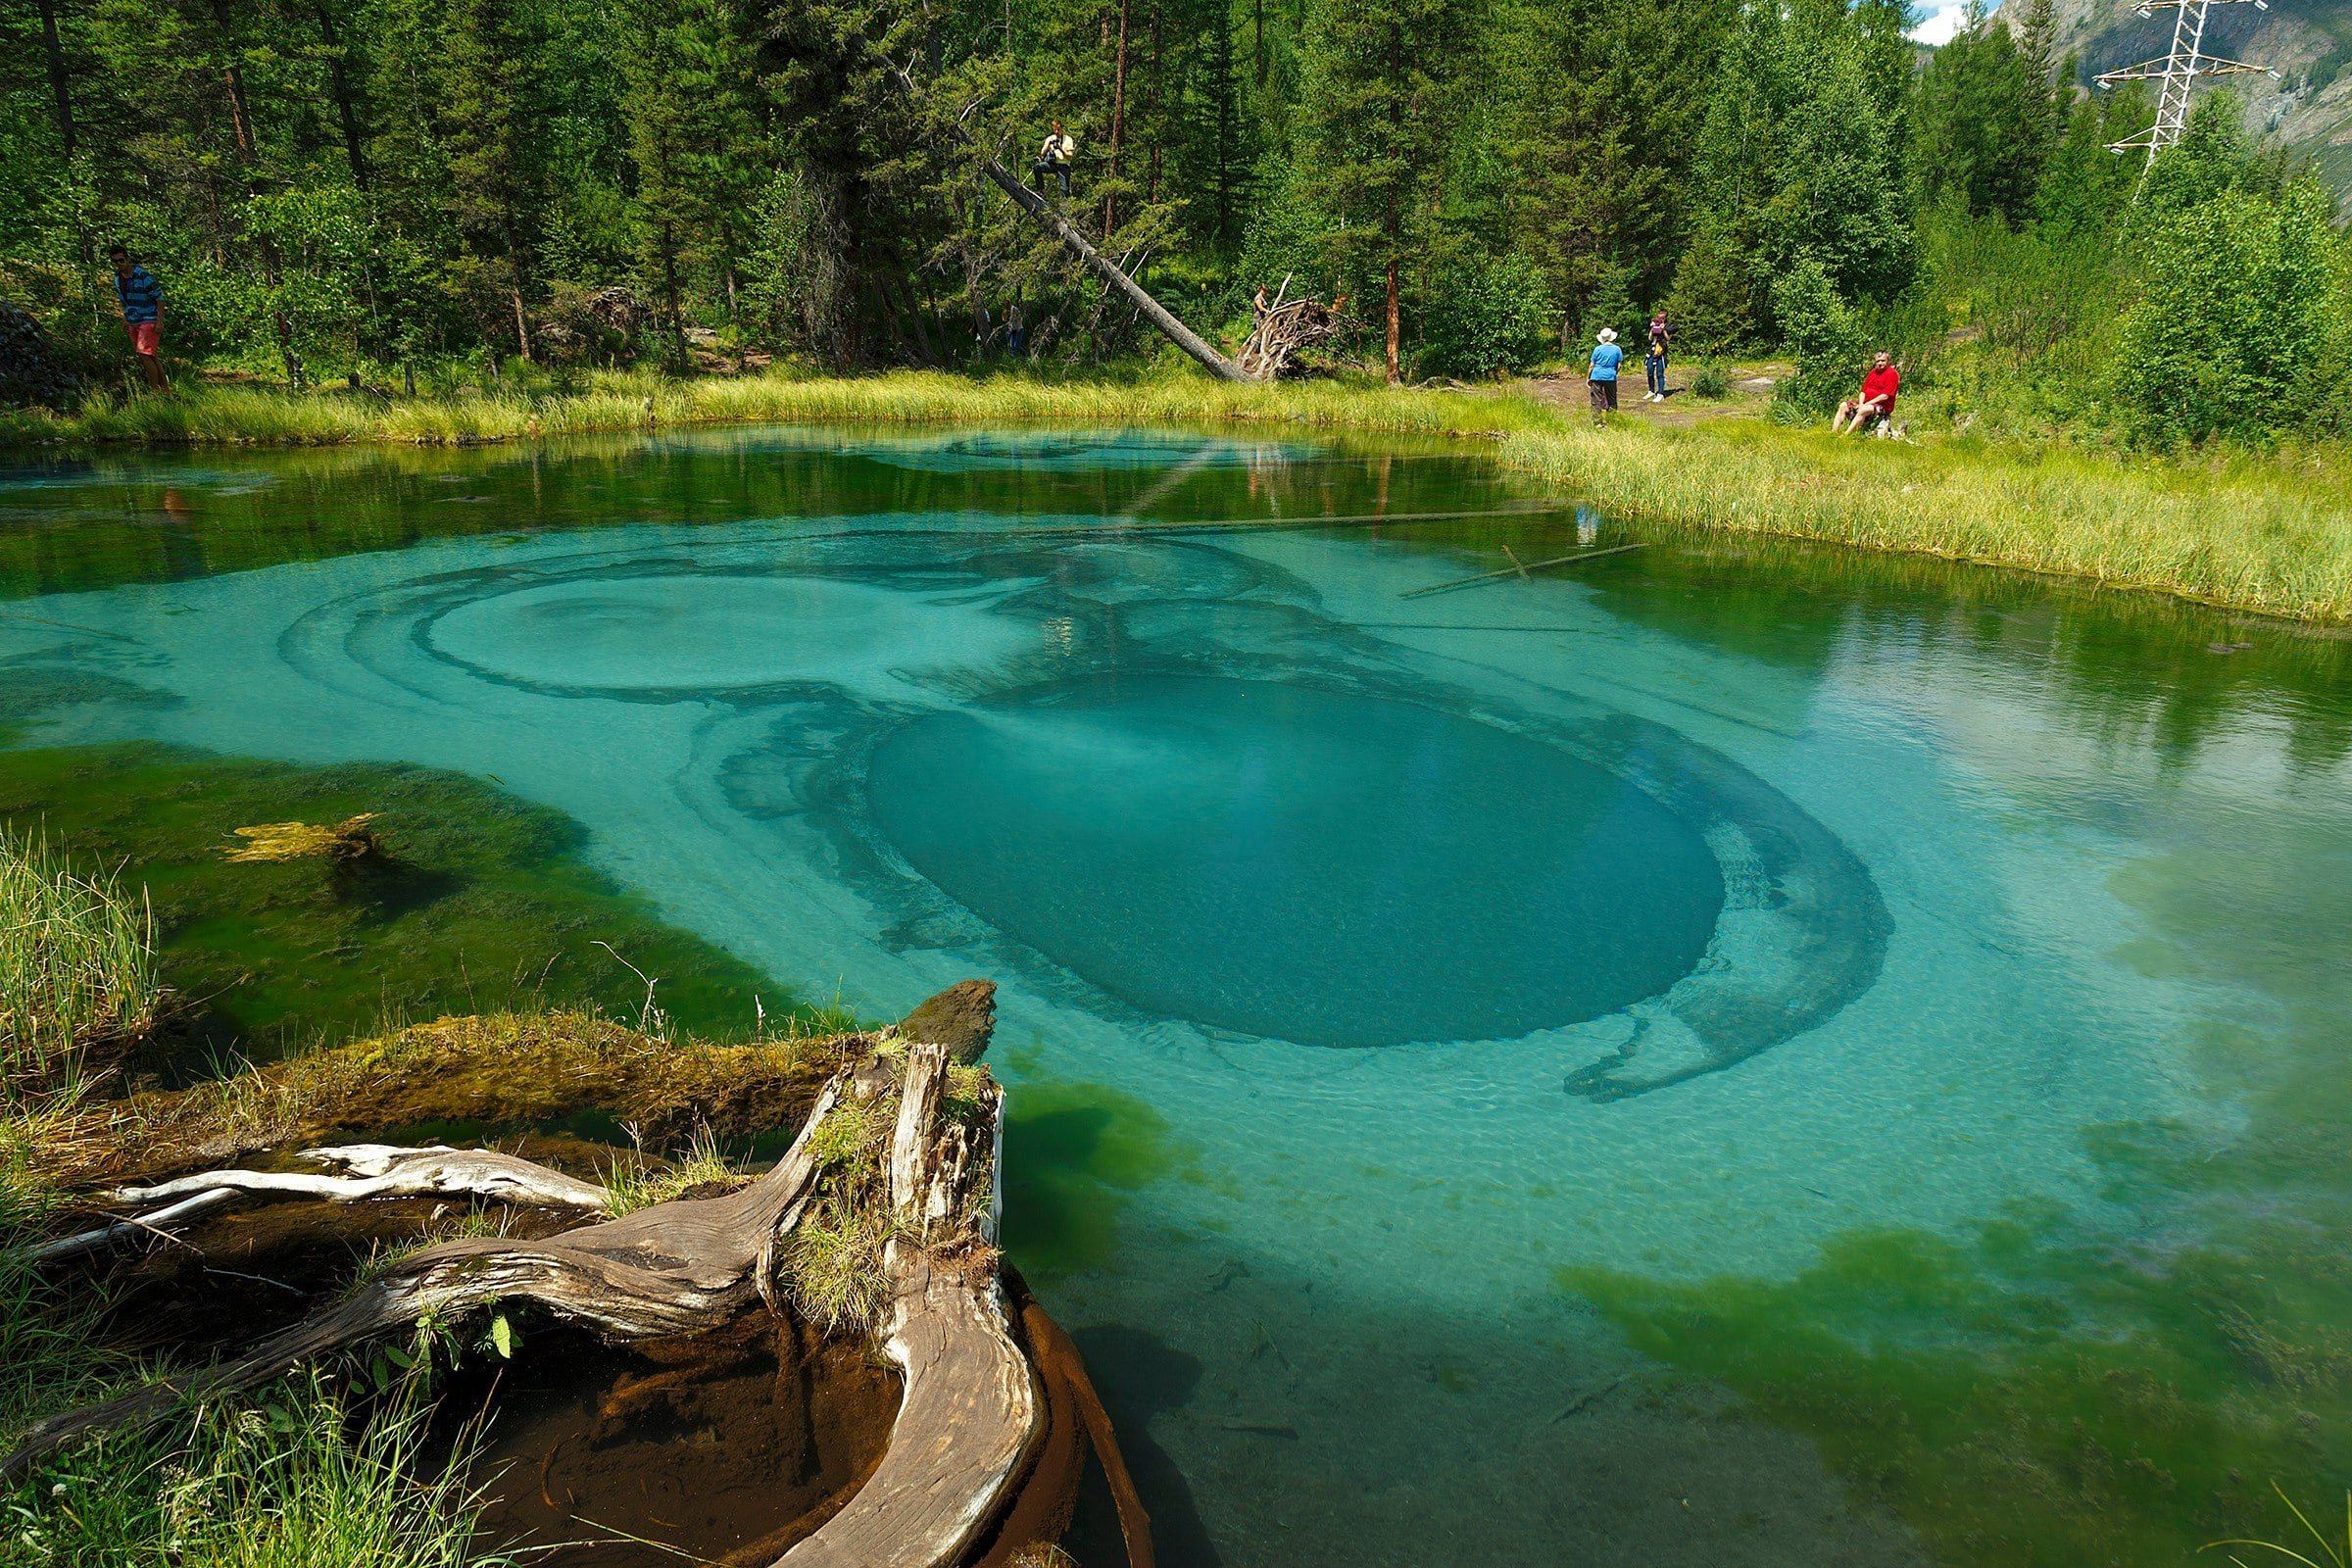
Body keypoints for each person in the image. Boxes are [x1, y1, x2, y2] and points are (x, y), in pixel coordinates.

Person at [110, 244, 167, 391]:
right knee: (149, 356)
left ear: (127, 259)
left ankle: (154, 390)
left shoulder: (143, 276)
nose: (119, 264)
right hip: (133, 320)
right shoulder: (117, 278)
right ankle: (164, 389)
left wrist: (159, 321)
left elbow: (160, 298)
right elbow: (124, 301)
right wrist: (125, 318)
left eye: (121, 260)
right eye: (115, 261)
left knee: (144, 353)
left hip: (148, 318)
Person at [1833, 350, 1900, 435]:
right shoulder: (1872, 372)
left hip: (1883, 406)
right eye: (1877, 361)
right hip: (1866, 403)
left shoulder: (1892, 374)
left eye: (1883, 361)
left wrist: (1865, 405)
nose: (1880, 363)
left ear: (1888, 361)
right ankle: (1834, 433)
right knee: (1843, 405)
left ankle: (1846, 435)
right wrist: (1861, 404)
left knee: (1864, 409)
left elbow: (1884, 396)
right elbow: (1863, 392)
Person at [1587, 327, 1623, 423]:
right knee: (1612, 399)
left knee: (1596, 400)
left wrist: (1588, 377)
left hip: (1596, 375)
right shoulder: (1617, 349)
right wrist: (1614, 372)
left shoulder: (1597, 349)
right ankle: (1611, 420)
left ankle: (1597, 422)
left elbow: (1591, 365)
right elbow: (1619, 365)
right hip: (1610, 376)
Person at [1032, 121, 1076, 198]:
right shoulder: (1050, 138)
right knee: (1037, 168)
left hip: (1063, 165)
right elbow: (1042, 153)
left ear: (1061, 128)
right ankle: (1041, 190)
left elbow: (1070, 156)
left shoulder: (1068, 139)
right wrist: (1048, 144)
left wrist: (1060, 149)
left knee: (1064, 189)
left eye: (1058, 130)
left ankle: (1064, 208)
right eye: (1055, 130)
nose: (1056, 132)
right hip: (1053, 164)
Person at [1642, 308, 1671, 402]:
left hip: (1661, 352)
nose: (1660, 319)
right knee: (1650, 372)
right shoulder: (1654, 324)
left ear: (1665, 318)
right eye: (1659, 317)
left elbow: (1668, 339)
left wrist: (1663, 330)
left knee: (1660, 373)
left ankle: (1660, 393)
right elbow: (1650, 338)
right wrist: (1652, 329)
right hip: (1652, 351)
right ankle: (1651, 390)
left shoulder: (1668, 326)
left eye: (1662, 318)